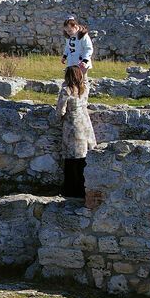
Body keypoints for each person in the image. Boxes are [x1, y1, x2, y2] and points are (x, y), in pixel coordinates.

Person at [55, 65, 95, 198]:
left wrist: (59, 117)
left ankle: (71, 191)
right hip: (85, 125)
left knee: (71, 160)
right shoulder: (84, 89)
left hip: (72, 126)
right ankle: (83, 188)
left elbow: (60, 110)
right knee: (83, 158)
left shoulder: (66, 90)